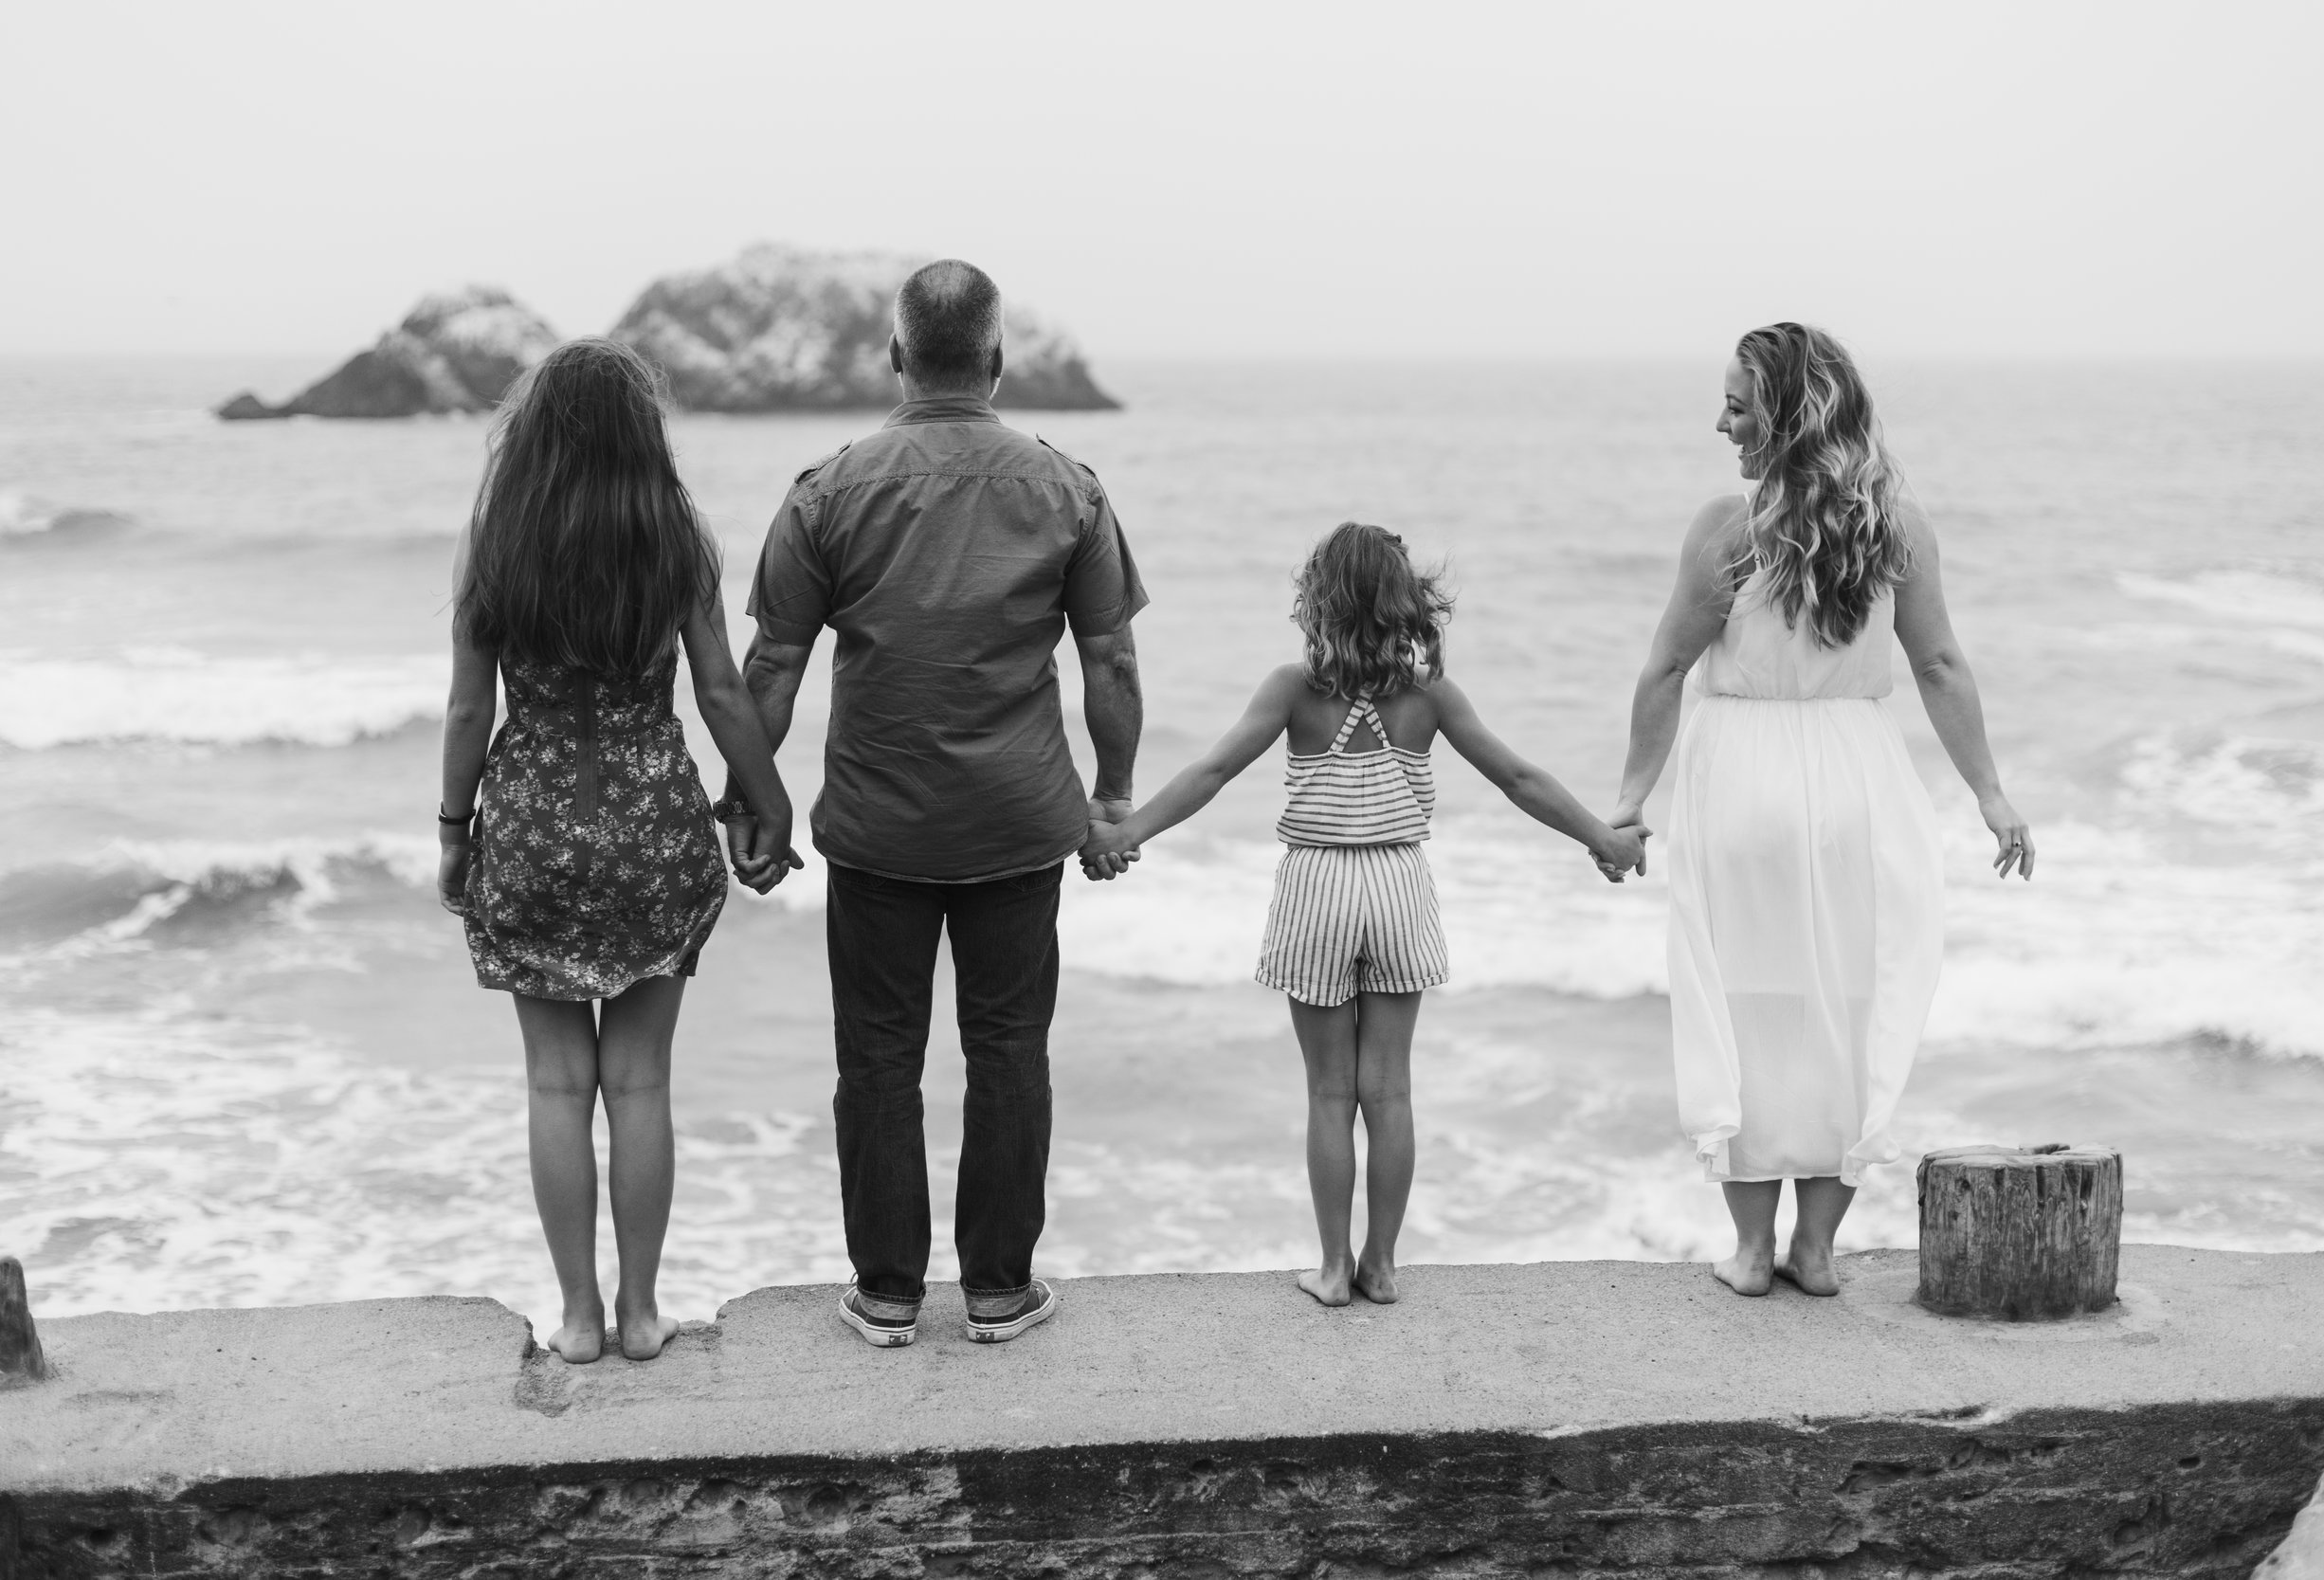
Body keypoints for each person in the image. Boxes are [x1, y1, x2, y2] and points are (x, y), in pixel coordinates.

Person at [721, 259, 1146, 1349]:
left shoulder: (829, 489)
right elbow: (1112, 664)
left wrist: (748, 801)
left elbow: (769, 667)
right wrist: (1111, 798)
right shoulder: (1069, 488)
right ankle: (999, 1291)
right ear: (998, 360)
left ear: (897, 356)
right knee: (1009, 1050)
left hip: (877, 826)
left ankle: (888, 1292)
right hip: (1017, 826)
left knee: (876, 1057)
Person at [1083, 523, 1645, 1306]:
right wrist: (1603, 838)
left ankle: (1331, 1268)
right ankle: (1381, 1265)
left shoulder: (1293, 688)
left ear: (1319, 601)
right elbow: (1518, 777)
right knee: (1389, 1092)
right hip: (1397, 886)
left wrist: (1126, 831)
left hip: (1317, 887)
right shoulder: (1428, 697)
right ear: (1403, 603)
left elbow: (1211, 771)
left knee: (1327, 1093)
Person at [1610, 322, 2035, 1299]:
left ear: (1786, 414)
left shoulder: (1727, 526)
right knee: (1843, 1002)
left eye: (1736, 404)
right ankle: (1816, 1249)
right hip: (1858, 778)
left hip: (1742, 778)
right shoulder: (1895, 523)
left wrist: (1631, 800)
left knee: (1742, 1005)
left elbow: (1667, 668)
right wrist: (1989, 791)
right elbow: (1937, 666)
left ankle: (1752, 1253)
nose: (1719, 421)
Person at [436, 339, 797, 1362]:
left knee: (556, 1084)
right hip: (652, 828)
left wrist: (455, 834)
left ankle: (580, 1319)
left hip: (531, 827)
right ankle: (644, 1313)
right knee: (639, 1081)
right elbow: (724, 691)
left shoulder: (496, 537)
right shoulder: (674, 533)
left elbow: (469, 706)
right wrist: (771, 807)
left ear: (533, 434)